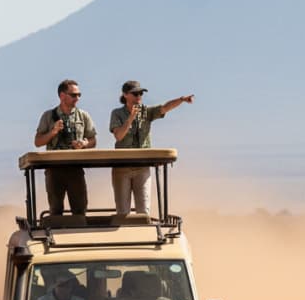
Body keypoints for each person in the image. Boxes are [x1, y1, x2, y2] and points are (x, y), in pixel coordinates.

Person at [109, 80, 194, 216]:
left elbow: (165, 107)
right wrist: (130, 119)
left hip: (142, 167)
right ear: (125, 95)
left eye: (141, 93)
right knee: (122, 212)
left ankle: (142, 236)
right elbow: (118, 136)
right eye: (135, 94)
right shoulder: (117, 113)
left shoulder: (147, 112)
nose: (139, 97)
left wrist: (182, 100)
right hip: (122, 168)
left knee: (143, 211)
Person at [34, 79, 97, 215]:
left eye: (79, 95)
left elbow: (93, 140)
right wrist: (53, 132)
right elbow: (38, 142)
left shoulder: (83, 116)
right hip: (54, 169)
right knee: (56, 210)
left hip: (75, 168)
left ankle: (79, 235)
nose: (77, 98)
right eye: (73, 95)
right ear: (62, 96)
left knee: (80, 209)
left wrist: (84, 143)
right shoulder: (49, 116)